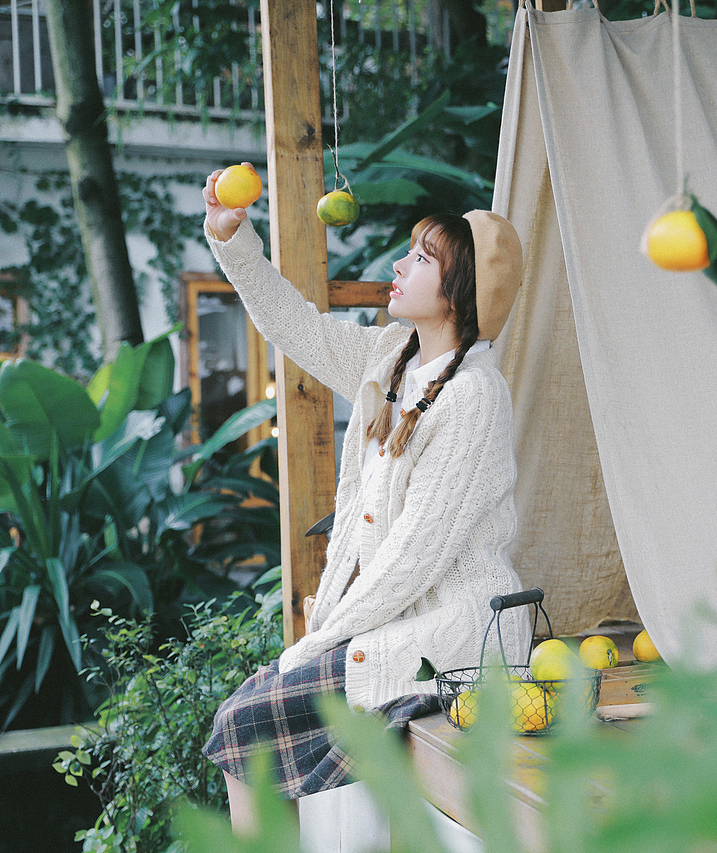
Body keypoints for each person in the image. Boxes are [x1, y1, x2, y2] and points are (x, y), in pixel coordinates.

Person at [199, 165, 530, 832]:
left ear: (459, 293)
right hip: (386, 624)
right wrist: (232, 240)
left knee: (241, 722)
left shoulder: (473, 396)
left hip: (453, 634)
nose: (400, 265)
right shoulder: (391, 358)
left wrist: (318, 639)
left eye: (422, 257)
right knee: (241, 727)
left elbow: (415, 556)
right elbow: (296, 328)